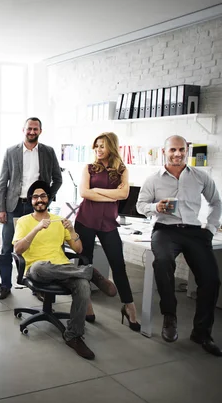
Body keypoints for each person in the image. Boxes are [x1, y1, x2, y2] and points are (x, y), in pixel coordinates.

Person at [137, 135, 222, 356]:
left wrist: (210, 229)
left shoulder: (200, 176)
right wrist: (157, 207)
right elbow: (140, 205)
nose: (177, 154)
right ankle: (170, 316)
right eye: (173, 150)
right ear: (164, 152)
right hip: (165, 230)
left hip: (194, 232)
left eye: (181, 149)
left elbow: (216, 202)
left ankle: (201, 332)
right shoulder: (154, 179)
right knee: (162, 263)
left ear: (187, 150)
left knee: (211, 279)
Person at [13, 180, 117, 360]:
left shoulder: (59, 221)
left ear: (48, 199)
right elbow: (18, 250)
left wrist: (73, 230)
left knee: (83, 285)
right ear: (31, 200)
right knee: (39, 266)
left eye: (43, 196)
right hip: (38, 270)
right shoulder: (23, 221)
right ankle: (91, 273)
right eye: (36, 197)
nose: (40, 199)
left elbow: (78, 250)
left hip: (63, 268)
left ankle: (73, 336)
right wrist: (37, 229)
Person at [74, 132, 140, 331]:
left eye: (102, 146)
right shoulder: (89, 168)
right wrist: (111, 196)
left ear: (111, 146)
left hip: (109, 224)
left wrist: (98, 193)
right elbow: (84, 193)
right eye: (96, 146)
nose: (98, 150)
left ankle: (129, 307)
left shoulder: (121, 170)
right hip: (86, 221)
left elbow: (124, 194)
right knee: (86, 264)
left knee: (118, 265)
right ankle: (86, 303)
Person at [0, 117, 62, 300]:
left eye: (35, 129)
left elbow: (58, 178)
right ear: (23, 130)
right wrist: (1, 208)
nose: (32, 132)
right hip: (14, 205)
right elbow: (3, 182)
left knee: (37, 247)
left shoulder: (48, 152)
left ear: (40, 131)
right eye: (29, 129)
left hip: (38, 207)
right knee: (7, 248)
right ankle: (5, 285)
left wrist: (47, 198)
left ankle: (39, 287)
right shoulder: (11, 152)